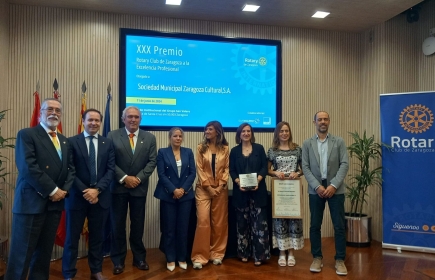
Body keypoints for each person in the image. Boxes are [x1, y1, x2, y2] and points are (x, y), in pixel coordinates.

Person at [6, 98, 75, 280]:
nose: (54, 113)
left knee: (43, 255)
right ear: (40, 112)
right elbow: (28, 167)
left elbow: (70, 169)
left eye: (58, 110)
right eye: (49, 109)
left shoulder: (64, 140)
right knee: (21, 255)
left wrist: (63, 192)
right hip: (31, 204)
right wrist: (53, 190)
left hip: (54, 205)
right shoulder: (27, 134)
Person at [62, 109, 115, 280]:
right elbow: (70, 170)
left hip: (100, 198)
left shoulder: (108, 143)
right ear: (83, 121)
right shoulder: (71, 142)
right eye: (90, 120)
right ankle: (69, 272)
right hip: (77, 197)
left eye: (97, 120)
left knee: (97, 237)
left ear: (100, 122)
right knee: (72, 238)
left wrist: (97, 190)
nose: (94, 123)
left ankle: (96, 270)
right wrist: (86, 191)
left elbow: (111, 170)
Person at [108, 106, 157, 275]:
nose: (133, 119)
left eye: (136, 117)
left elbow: (152, 162)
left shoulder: (149, 138)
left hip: (139, 188)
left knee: (138, 226)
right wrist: (124, 178)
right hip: (118, 188)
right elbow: (110, 161)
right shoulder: (113, 135)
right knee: (118, 226)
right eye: (130, 117)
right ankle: (118, 261)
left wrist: (138, 179)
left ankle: (139, 258)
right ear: (123, 119)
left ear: (140, 119)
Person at [301, 111, 349, 276]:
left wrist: (334, 185)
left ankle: (340, 260)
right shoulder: (307, 143)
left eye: (325, 119)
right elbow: (305, 167)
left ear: (329, 121)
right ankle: (317, 258)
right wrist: (316, 186)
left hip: (336, 188)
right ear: (314, 122)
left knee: (339, 226)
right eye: (319, 119)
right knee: (315, 225)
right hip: (316, 189)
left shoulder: (339, 141)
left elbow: (344, 164)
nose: (323, 122)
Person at [154, 127, 196, 271]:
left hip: (185, 196)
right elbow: (161, 174)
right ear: (169, 137)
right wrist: (174, 190)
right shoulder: (162, 152)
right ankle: (170, 258)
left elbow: (192, 173)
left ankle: (182, 257)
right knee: (169, 229)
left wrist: (182, 190)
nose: (178, 138)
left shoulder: (188, 152)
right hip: (168, 195)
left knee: (183, 229)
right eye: (175, 136)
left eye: (180, 136)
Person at [229, 123, 270, 266]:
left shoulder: (259, 148)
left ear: (251, 133)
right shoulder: (234, 151)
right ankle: (243, 253)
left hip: (258, 192)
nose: (246, 133)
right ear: (239, 134)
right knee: (242, 225)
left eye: (248, 131)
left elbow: (264, 167)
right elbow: (232, 170)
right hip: (240, 193)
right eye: (243, 131)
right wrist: (238, 182)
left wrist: (257, 181)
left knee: (259, 225)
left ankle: (259, 255)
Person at [191, 120, 229, 269]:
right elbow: (199, 170)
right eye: (206, 129)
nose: (207, 131)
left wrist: (219, 186)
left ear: (218, 132)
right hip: (203, 189)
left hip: (221, 189)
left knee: (219, 223)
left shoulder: (225, 149)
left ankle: (217, 254)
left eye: (210, 129)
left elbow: (226, 168)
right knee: (203, 221)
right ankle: (200, 257)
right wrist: (209, 188)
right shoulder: (200, 148)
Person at [267, 121, 304, 267]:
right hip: (279, 188)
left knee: (294, 219)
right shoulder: (272, 150)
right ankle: (282, 252)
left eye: (286, 131)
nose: (284, 133)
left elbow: (303, 169)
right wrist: (275, 172)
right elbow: (268, 170)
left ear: (290, 132)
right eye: (281, 131)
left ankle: (292, 253)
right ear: (277, 133)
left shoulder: (297, 149)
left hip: (294, 188)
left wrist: (297, 173)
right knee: (280, 220)